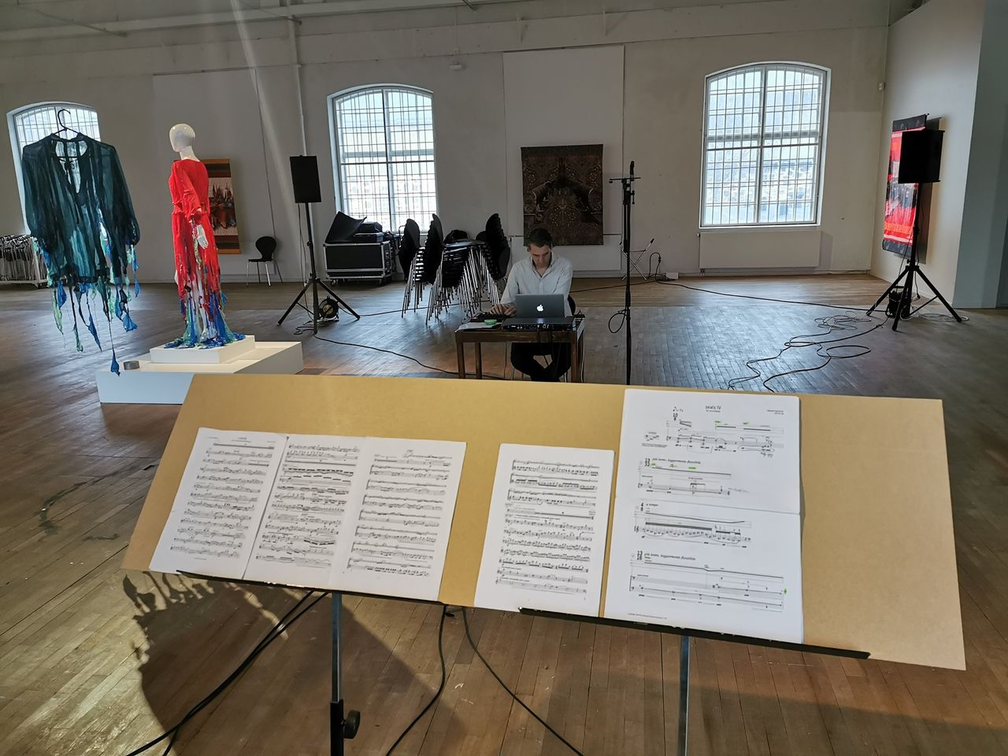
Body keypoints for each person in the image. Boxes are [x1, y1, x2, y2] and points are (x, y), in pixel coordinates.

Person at [491, 227, 574, 381]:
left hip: (557, 327)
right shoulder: (518, 268)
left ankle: (540, 384)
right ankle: (548, 382)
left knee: (565, 359)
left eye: (545, 254)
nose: (540, 260)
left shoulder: (564, 266)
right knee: (518, 359)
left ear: (551, 247)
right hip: (528, 329)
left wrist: (520, 308)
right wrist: (504, 308)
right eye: (536, 255)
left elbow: (560, 299)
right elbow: (507, 300)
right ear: (528, 250)